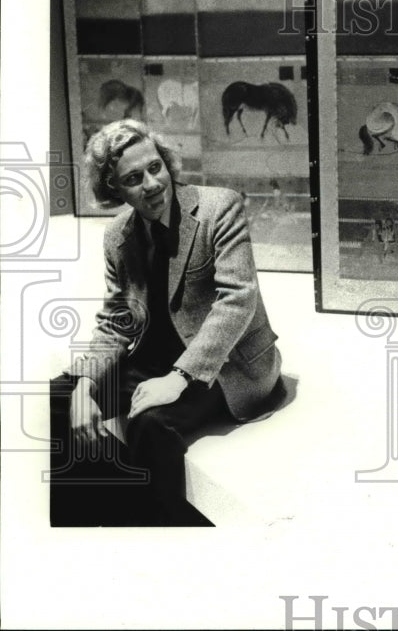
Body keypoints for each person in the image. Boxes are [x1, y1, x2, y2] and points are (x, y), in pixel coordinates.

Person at [49, 119, 283, 526]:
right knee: (60, 396)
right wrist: (85, 384)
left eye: (155, 167)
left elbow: (237, 300)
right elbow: (117, 320)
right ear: (114, 190)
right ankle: (88, 524)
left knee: (150, 423)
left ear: (167, 163)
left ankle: (159, 537)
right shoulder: (118, 235)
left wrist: (179, 378)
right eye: (134, 178)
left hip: (225, 365)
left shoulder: (218, 208)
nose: (152, 184)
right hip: (156, 358)